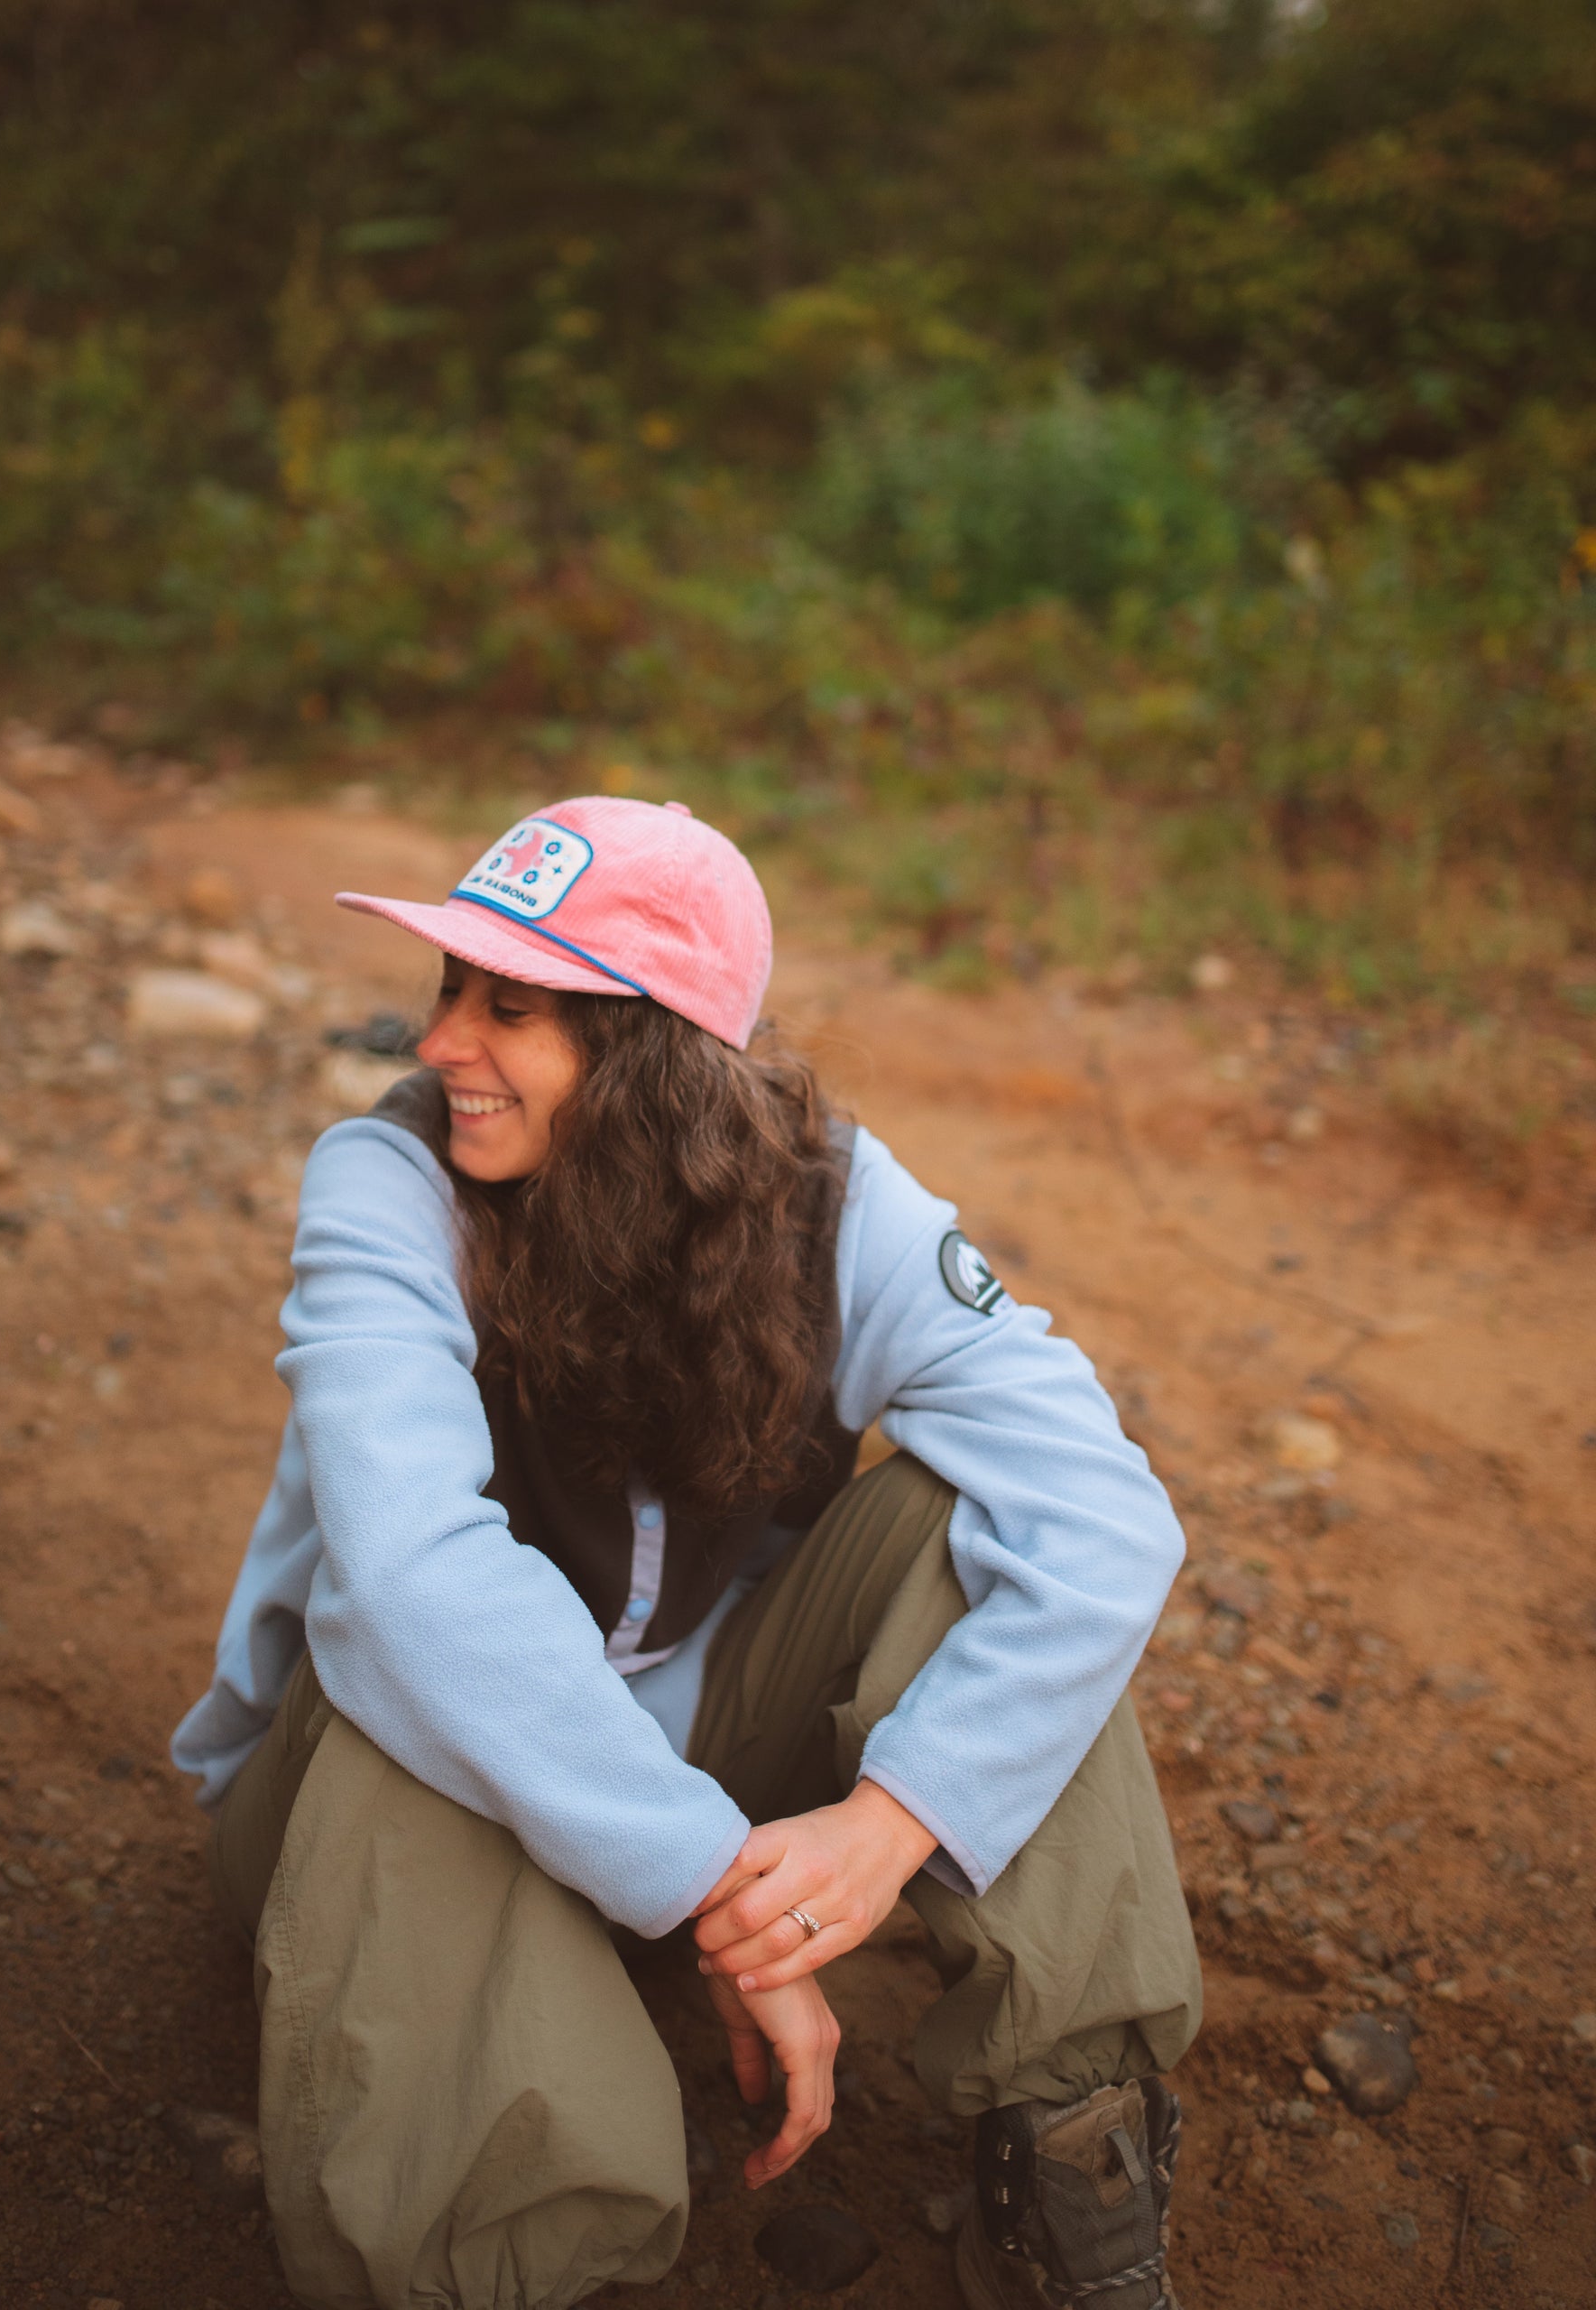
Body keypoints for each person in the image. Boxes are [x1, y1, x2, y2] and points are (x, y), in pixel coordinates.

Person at [172, 796, 1202, 2310]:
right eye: (451, 987)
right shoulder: (390, 1182)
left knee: (960, 1522)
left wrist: (895, 1822)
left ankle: (1071, 2151)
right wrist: (716, 1879)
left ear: (650, 1057)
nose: (440, 1041)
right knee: (410, 1657)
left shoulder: (836, 1206)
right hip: (355, 1812)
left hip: (700, 1763)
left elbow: (1104, 1513)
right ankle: (506, 2263)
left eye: (507, 1007)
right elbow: (407, 1577)